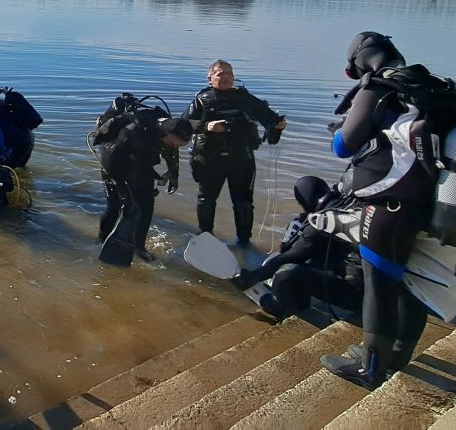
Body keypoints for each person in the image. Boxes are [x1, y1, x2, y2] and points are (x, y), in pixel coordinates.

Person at [320, 31, 431, 389]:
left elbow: (343, 145)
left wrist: (340, 128)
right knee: (411, 283)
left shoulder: (377, 88)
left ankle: (370, 368)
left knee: (379, 284)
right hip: (425, 203)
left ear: (359, 60)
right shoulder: (425, 85)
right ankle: (398, 353)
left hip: (387, 206)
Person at [184, 60, 287, 247]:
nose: (226, 77)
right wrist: (207, 126)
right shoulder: (201, 100)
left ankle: (244, 242)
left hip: (242, 159)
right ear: (210, 78)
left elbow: (268, 117)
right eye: (220, 74)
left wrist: (278, 124)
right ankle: (205, 237)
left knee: (243, 203)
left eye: (229, 73)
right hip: (209, 159)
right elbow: (183, 127)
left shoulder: (245, 98)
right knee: (206, 199)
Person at [233, 177, 363, 321]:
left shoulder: (322, 222)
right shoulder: (351, 207)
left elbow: (290, 257)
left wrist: (253, 276)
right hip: (380, 286)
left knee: (287, 273)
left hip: (358, 295)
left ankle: (284, 309)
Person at [94, 94, 191, 264]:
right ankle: (101, 240)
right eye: (175, 143)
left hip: (140, 164)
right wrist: (124, 192)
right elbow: (111, 161)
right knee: (115, 205)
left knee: (146, 206)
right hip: (112, 161)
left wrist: (173, 175)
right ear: (166, 133)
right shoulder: (133, 132)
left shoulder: (167, 131)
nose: (175, 147)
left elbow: (171, 153)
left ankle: (138, 247)